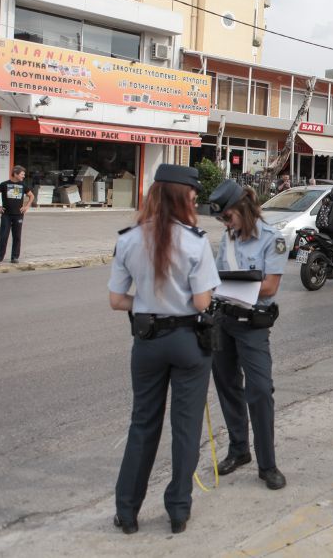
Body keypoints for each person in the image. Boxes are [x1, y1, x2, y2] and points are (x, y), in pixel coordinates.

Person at [107, 164, 221, 535]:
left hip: (147, 342)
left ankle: (126, 511)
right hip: (188, 342)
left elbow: (115, 300)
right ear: (181, 198)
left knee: (142, 425)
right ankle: (177, 510)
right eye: (192, 196)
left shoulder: (128, 238)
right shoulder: (195, 241)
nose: (195, 201)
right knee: (186, 429)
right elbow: (203, 302)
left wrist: (146, 301)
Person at [207, 179, 288, 490]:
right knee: (228, 388)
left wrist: (223, 287)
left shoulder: (271, 239)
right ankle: (239, 450)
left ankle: (267, 465)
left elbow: (269, 287)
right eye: (221, 219)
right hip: (222, 321)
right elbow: (214, 278)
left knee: (260, 391)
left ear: (243, 208)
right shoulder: (228, 239)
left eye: (227, 217)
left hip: (252, 326)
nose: (225, 223)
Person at [0, 165, 35, 264]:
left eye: (24, 174)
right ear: (15, 174)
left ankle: (14, 257)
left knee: (17, 236)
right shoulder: (4, 184)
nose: (23, 176)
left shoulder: (23, 185)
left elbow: (31, 196)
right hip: (6, 215)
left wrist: (26, 206)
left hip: (18, 215)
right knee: (3, 236)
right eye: (22, 174)